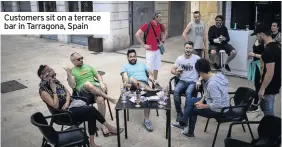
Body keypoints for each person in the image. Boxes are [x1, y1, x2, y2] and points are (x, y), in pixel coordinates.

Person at [37, 65, 123, 147]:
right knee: (90, 110)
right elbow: (55, 106)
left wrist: (67, 102)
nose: (54, 76)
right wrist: (54, 90)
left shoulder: (55, 82)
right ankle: (105, 131)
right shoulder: (43, 91)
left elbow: (67, 93)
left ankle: (94, 140)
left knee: (90, 111)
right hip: (63, 114)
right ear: (44, 76)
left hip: (70, 106)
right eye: (52, 74)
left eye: (54, 74)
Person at [172, 59, 229, 138]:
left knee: (193, 110)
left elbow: (217, 104)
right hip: (212, 101)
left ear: (201, 72)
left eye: (198, 73)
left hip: (220, 109)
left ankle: (190, 133)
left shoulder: (212, 84)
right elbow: (206, 93)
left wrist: (203, 106)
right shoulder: (216, 75)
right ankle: (183, 121)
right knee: (191, 100)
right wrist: (201, 101)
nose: (198, 75)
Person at [64, 52, 117, 135]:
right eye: (79, 59)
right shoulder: (72, 71)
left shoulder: (88, 66)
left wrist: (101, 83)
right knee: (88, 84)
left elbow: (98, 75)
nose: (81, 60)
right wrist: (69, 74)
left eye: (82, 58)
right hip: (84, 94)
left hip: (95, 89)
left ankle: (104, 125)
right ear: (73, 61)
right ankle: (109, 98)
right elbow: (72, 85)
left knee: (100, 99)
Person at [120, 49, 159, 132]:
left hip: (144, 84)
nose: (133, 58)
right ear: (127, 58)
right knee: (132, 79)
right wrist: (126, 82)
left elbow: (150, 74)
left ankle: (146, 120)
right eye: (130, 57)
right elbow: (125, 77)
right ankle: (153, 92)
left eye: (134, 56)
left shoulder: (142, 65)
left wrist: (153, 80)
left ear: (136, 56)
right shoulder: (124, 67)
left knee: (147, 95)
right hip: (133, 86)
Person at [253, 23, 281, 116]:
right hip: (275, 82)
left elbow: (270, 72)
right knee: (266, 109)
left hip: (270, 84)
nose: (257, 38)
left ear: (261, 34)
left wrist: (262, 88)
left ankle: (270, 129)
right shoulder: (277, 45)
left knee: (268, 112)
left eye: (257, 35)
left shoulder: (268, 50)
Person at [170, 41, 201, 122]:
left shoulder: (197, 58)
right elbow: (172, 69)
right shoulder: (180, 58)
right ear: (184, 48)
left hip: (192, 82)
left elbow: (203, 70)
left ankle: (186, 113)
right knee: (176, 91)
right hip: (182, 81)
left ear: (192, 49)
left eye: (190, 48)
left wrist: (199, 80)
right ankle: (179, 113)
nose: (188, 50)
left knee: (188, 93)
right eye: (187, 48)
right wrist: (176, 72)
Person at [135, 11, 168, 81]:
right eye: (160, 17)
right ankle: (148, 81)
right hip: (150, 50)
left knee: (156, 66)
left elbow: (165, 32)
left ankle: (155, 81)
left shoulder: (160, 25)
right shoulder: (147, 25)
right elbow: (137, 34)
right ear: (156, 17)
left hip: (158, 49)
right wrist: (144, 45)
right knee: (149, 67)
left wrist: (163, 41)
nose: (161, 18)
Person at [247, 25, 265, 112]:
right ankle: (258, 102)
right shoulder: (257, 40)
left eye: (257, 34)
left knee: (259, 84)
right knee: (256, 84)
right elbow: (255, 51)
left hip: (261, 65)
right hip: (255, 64)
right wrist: (251, 55)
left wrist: (254, 55)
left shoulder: (265, 43)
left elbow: (265, 56)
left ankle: (256, 103)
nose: (256, 36)